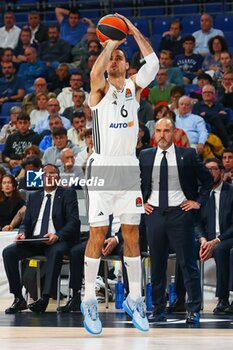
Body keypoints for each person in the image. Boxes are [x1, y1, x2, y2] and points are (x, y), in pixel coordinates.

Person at [81, 14, 159, 334]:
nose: (115, 59)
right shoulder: (98, 91)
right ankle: (88, 299)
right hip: (102, 167)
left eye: (120, 57)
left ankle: (135, 298)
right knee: (98, 235)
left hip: (128, 167)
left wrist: (133, 31)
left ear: (127, 66)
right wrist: (110, 44)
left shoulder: (134, 87)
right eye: (112, 56)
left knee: (132, 235)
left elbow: (152, 62)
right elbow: (95, 72)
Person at [139, 117, 213, 324]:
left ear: (174, 133)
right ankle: (158, 309)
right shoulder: (144, 156)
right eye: (159, 131)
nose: (162, 134)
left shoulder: (187, 155)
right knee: (157, 266)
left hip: (180, 214)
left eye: (166, 131)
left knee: (187, 264)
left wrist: (198, 202)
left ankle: (193, 309)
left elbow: (207, 181)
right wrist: (140, 204)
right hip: (153, 214)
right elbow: (134, 183)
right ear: (154, 134)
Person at [2, 164, 80, 314]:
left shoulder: (67, 194)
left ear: (58, 178)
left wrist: (57, 235)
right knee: (8, 252)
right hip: (34, 240)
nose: (49, 176)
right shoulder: (34, 196)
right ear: (41, 178)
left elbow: (73, 221)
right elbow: (26, 223)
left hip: (57, 240)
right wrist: (23, 234)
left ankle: (44, 298)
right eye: (46, 174)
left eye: (53, 174)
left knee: (55, 252)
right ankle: (19, 298)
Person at [197, 157, 233, 314]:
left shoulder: (230, 192)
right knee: (184, 248)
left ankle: (223, 299)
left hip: (227, 237)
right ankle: (180, 298)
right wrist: (203, 240)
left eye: (214, 169)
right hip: (207, 239)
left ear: (222, 171)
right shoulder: (200, 193)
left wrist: (216, 241)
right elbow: (196, 222)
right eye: (207, 170)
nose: (210, 173)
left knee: (220, 250)